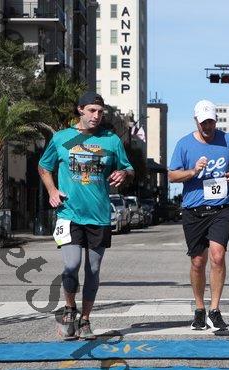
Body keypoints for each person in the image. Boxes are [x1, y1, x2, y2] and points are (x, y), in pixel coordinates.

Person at [38, 91, 134, 340]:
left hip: (99, 215)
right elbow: (44, 167)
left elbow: (128, 167)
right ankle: (70, 309)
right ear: (80, 109)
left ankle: (85, 320)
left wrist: (124, 174)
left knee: (93, 269)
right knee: (71, 265)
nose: (96, 115)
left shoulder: (110, 140)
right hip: (69, 213)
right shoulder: (62, 138)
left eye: (100, 112)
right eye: (92, 110)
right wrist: (52, 191)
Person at [168, 100, 229, 332]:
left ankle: (215, 310)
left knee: (217, 256)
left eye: (210, 122)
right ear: (196, 121)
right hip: (193, 210)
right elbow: (172, 175)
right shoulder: (184, 144)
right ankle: (200, 309)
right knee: (198, 262)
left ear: (215, 121)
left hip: (221, 208)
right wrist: (193, 171)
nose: (207, 126)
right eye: (203, 123)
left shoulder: (227, 140)